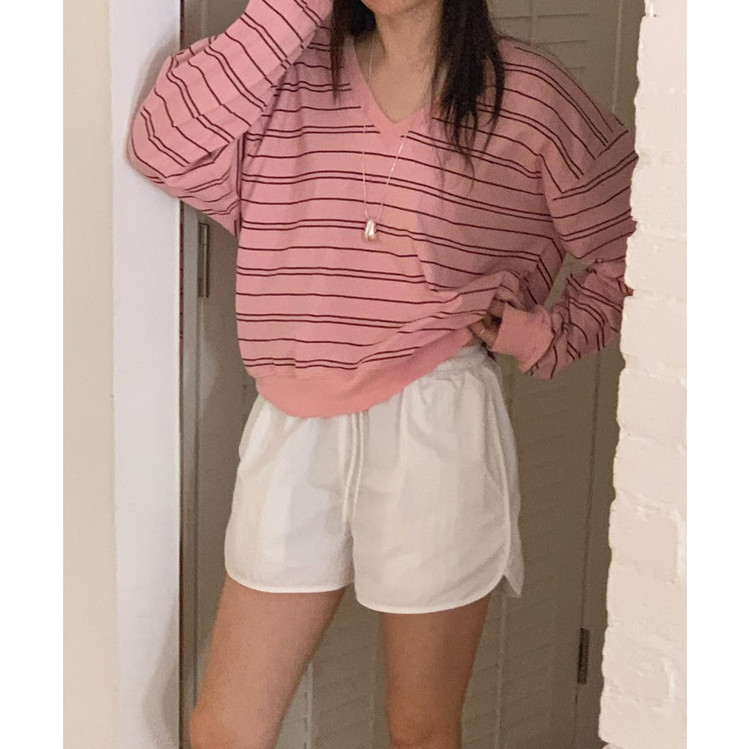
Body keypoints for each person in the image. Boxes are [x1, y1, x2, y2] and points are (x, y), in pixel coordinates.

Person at [127, 0, 637, 746]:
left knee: (420, 728)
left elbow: (646, 244)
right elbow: (162, 144)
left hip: (436, 416)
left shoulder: (529, 99)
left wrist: (542, 335)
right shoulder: (289, 77)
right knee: (222, 729)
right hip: (294, 416)